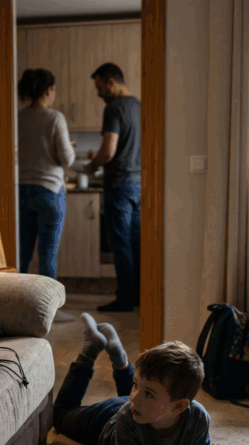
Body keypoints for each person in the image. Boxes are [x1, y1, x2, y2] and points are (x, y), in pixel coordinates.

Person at [54, 313, 220, 445]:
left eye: (149, 393)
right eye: (135, 385)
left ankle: (120, 359)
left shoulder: (197, 419)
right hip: (106, 419)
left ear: (179, 406)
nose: (135, 397)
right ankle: (92, 348)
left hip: (146, 413)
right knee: (60, 415)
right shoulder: (129, 415)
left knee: (139, 401)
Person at [86, 63, 141, 312]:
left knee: (121, 244)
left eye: (99, 87)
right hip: (140, 185)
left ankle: (125, 299)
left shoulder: (114, 108)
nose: (98, 93)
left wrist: (92, 164)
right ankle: (139, 296)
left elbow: (108, 151)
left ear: (111, 83)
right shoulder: (139, 106)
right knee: (137, 243)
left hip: (118, 185)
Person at [17, 68, 75, 279]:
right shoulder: (54, 118)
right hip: (49, 193)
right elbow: (67, 159)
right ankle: (47, 310)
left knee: (22, 255)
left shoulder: (18, 118)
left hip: (21, 193)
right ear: (49, 90)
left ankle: (16, 304)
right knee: (47, 255)